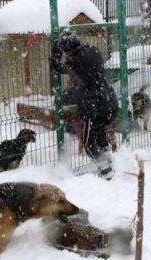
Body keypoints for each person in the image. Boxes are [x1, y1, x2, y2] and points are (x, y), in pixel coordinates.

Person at [50, 30, 118, 179]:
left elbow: (55, 65)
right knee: (100, 136)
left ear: (67, 51)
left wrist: (55, 48)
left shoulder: (74, 62)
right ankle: (108, 164)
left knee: (88, 144)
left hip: (94, 106)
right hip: (109, 100)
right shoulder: (93, 51)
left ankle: (106, 170)